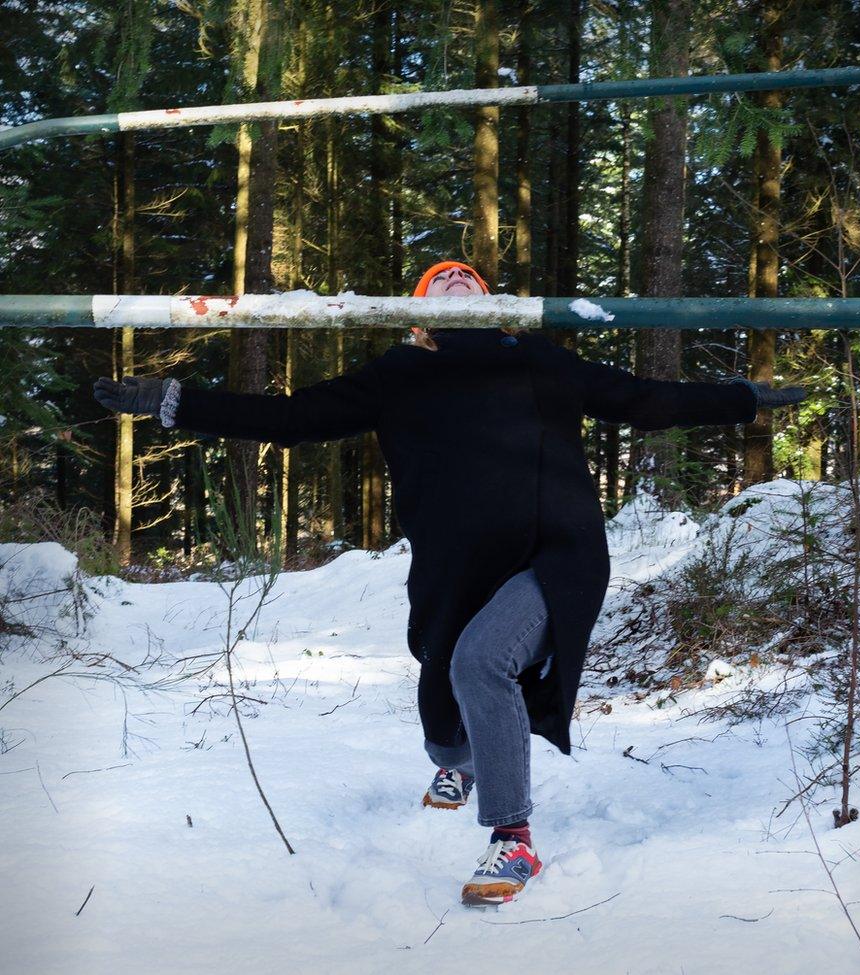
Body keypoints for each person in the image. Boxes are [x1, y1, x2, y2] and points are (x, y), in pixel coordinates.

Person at [93, 260, 805, 906]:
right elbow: (290, 418)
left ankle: (513, 837)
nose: (458, 276)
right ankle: (458, 762)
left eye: (470, 274)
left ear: (498, 305)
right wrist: (171, 399)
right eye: (441, 278)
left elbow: (646, 399)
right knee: (443, 708)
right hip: (454, 573)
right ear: (416, 315)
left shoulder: (540, 358)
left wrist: (742, 399)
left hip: (557, 557)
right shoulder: (398, 373)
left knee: (479, 661)